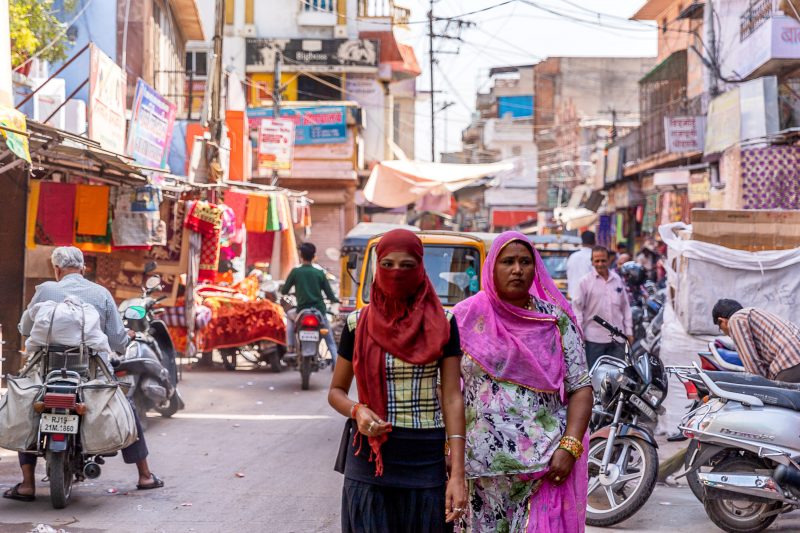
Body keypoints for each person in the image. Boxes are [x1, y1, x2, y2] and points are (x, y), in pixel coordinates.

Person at [328, 229, 467, 532]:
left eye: (407, 265)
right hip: (369, 456)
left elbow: (453, 397)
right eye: (388, 265)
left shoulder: (444, 323)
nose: (397, 273)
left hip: (425, 457)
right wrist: (357, 411)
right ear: (378, 268)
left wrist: (457, 474)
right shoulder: (357, 323)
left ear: (420, 269)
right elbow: (336, 391)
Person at [453, 231, 592, 533]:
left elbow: (580, 385)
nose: (517, 269)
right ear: (492, 266)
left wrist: (569, 447)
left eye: (525, 261)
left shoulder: (554, 321)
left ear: (535, 267)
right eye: (508, 261)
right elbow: (446, 391)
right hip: (479, 472)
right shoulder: (464, 318)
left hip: (544, 468)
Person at [5, 247, 163, 503]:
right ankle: (144, 475)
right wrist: (127, 337)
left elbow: (25, 327)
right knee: (126, 406)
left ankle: (27, 484)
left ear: (56, 270)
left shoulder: (45, 291)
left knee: (28, 406)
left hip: (47, 370)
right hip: (91, 372)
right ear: (83, 268)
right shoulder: (100, 294)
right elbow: (116, 340)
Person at [572, 246, 633, 368]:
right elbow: (577, 310)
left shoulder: (617, 279)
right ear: (592, 262)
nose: (600, 264)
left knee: (618, 377)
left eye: (603, 260)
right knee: (595, 379)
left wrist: (629, 331)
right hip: (594, 340)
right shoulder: (585, 282)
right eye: (597, 260)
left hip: (618, 339)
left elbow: (625, 307)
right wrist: (579, 334)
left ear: (609, 260)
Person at [712, 299, 800, 381]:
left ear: (722, 321)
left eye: (721, 328)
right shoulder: (754, 312)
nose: (725, 333)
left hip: (789, 362)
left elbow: (752, 366)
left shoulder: (735, 319)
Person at [281, 242, 339, 364]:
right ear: (314, 256)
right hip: (319, 310)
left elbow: (284, 290)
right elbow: (330, 294)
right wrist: (335, 300)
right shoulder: (319, 273)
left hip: (301, 310)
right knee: (329, 339)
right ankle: (336, 361)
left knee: (289, 318)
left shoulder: (296, 272)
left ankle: (290, 347)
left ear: (301, 255)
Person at [566, 230, 595, 300]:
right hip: (588, 299)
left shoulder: (572, 257)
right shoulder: (594, 257)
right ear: (594, 241)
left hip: (572, 297)